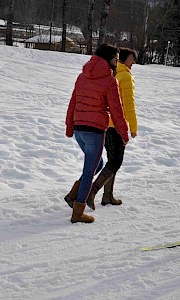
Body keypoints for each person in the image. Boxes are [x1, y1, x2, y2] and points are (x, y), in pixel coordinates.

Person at [65, 44, 129, 224]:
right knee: (89, 171)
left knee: (97, 163)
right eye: (116, 59)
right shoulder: (110, 81)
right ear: (108, 59)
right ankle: (78, 212)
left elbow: (73, 103)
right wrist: (123, 134)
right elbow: (117, 111)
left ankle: (74, 194)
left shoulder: (82, 76)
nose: (117, 62)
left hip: (79, 129)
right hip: (94, 130)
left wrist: (70, 127)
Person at [87, 47, 138, 209]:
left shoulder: (113, 73)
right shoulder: (125, 77)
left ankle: (107, 196)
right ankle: (93, 191)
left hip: (106, 124)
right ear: (122, 60)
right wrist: (133, 127)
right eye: (131, 59)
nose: (133, 63)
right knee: (116, 161)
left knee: (111, 161)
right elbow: (128, 105)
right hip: (117, 124)